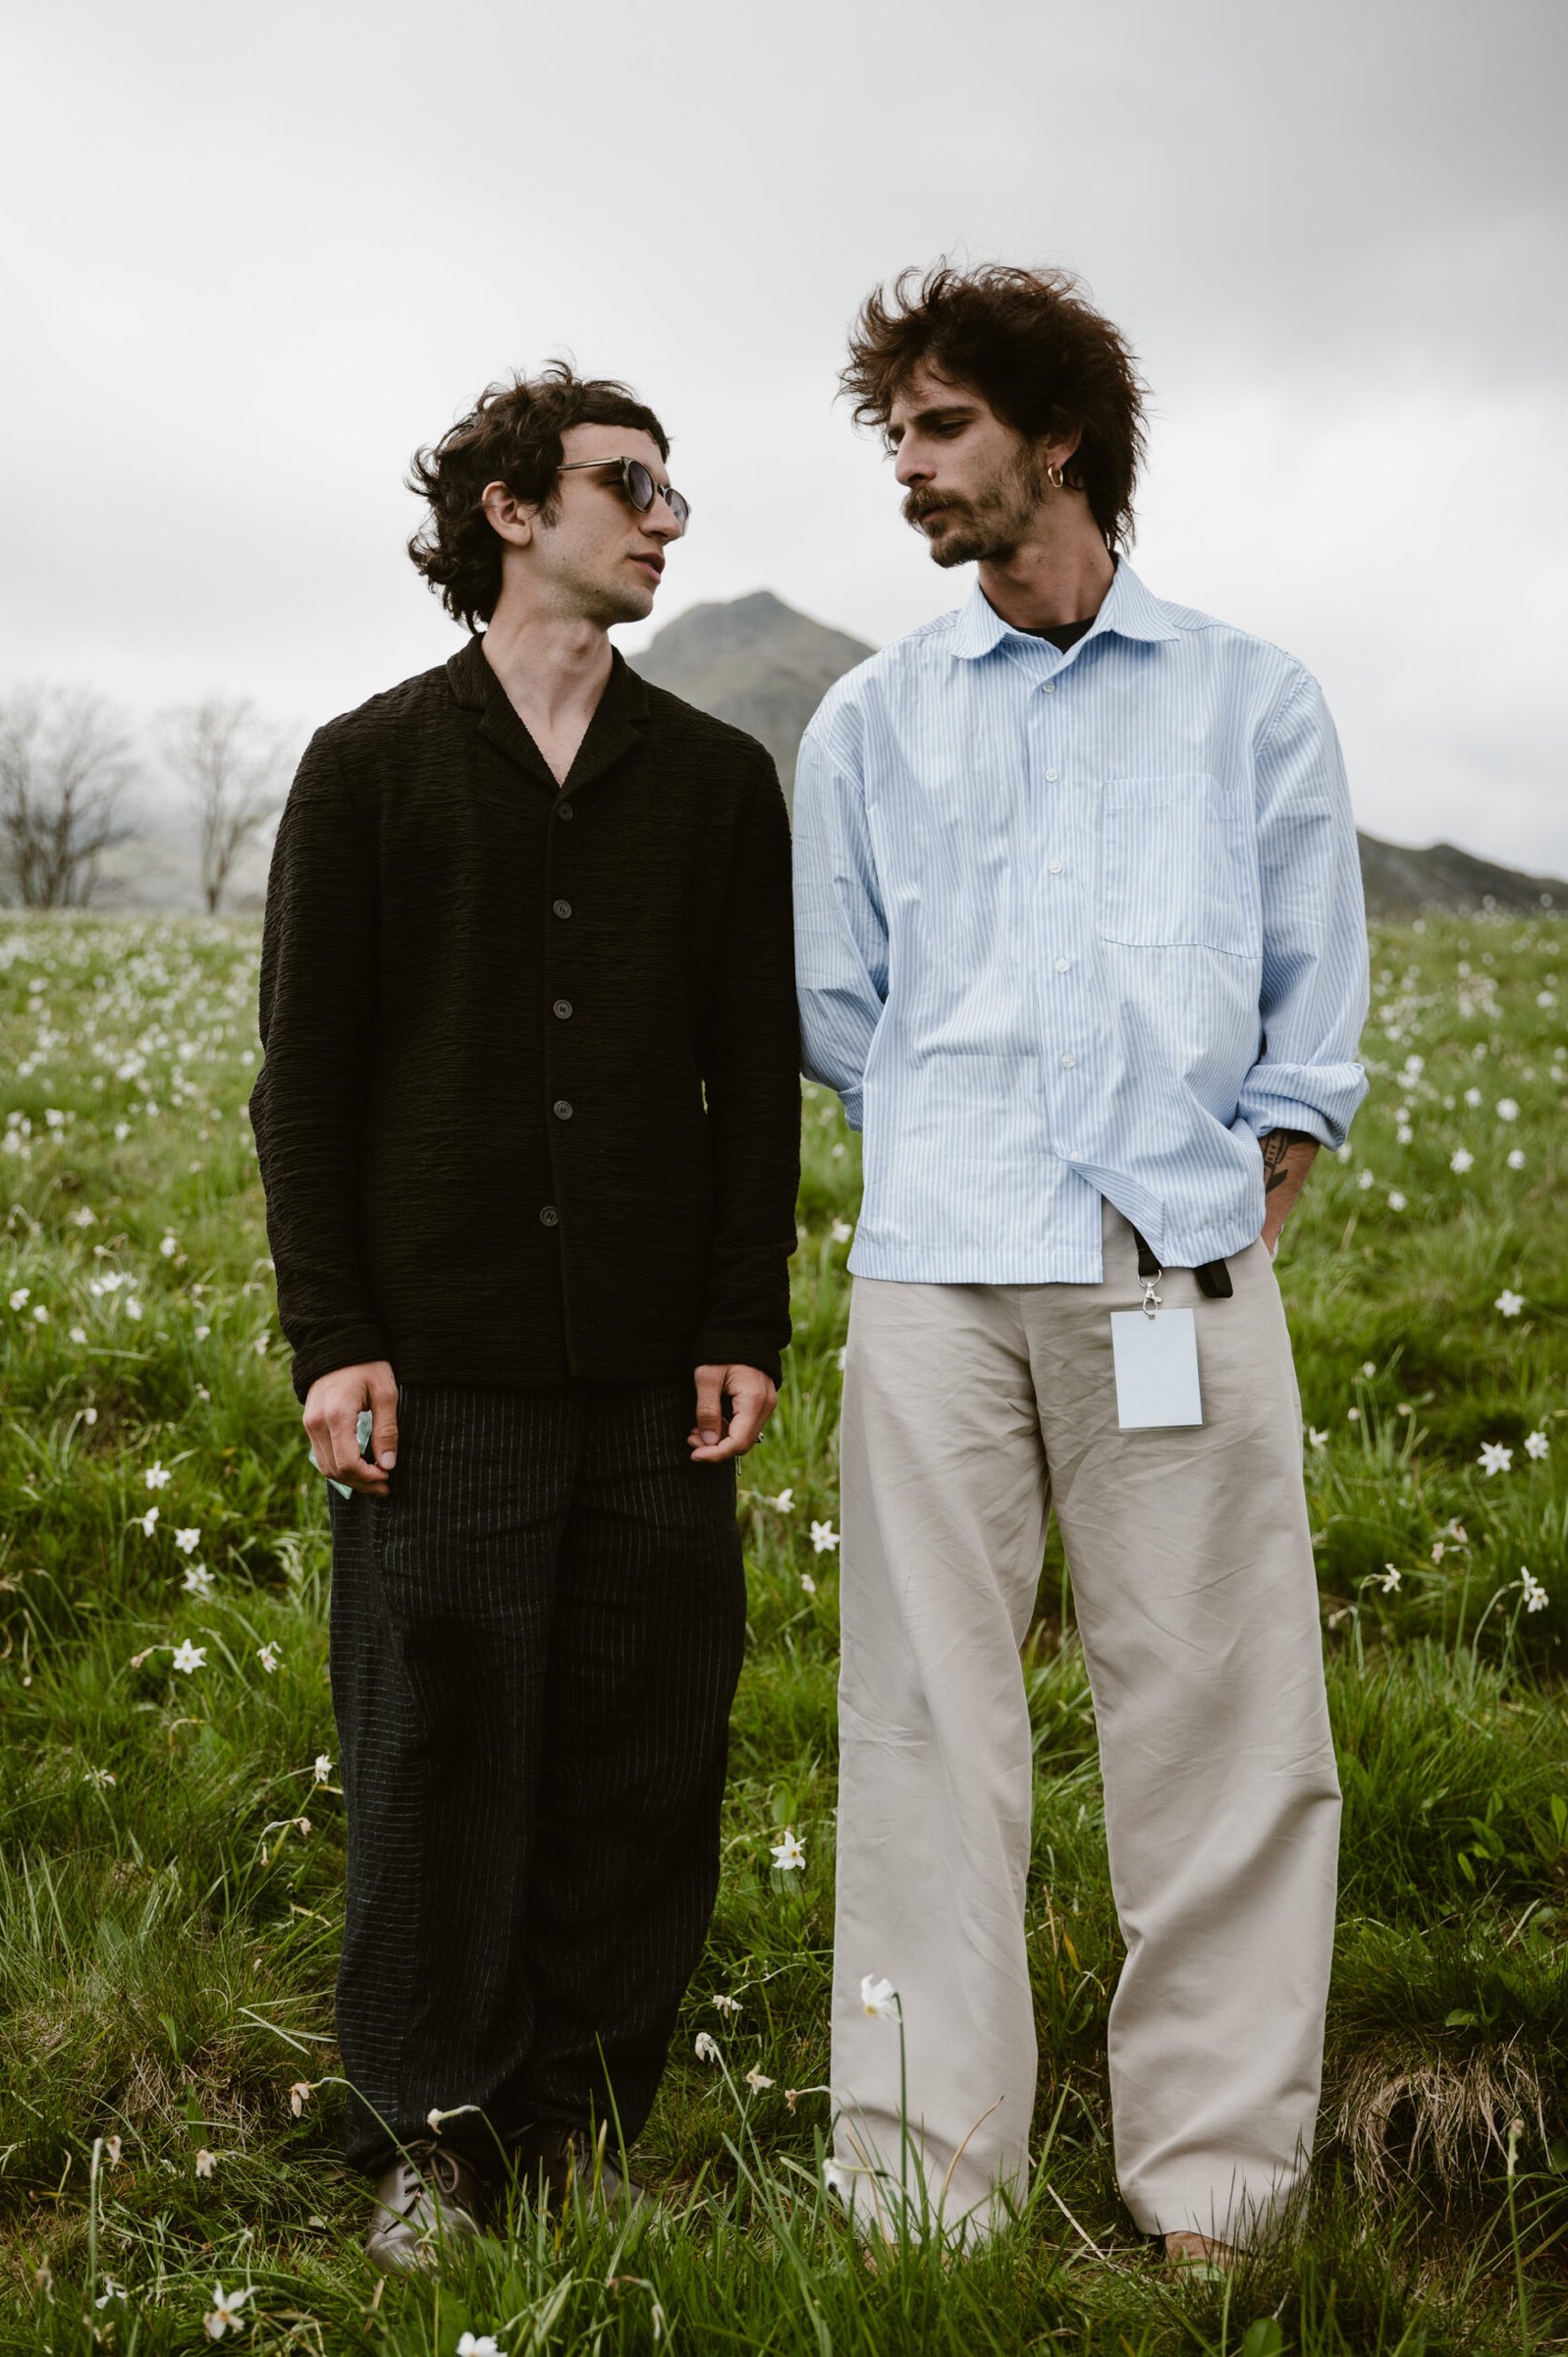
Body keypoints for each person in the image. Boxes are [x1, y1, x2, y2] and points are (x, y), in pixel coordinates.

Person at [792, 265, 1369, 2266]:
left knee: (1220, 1725)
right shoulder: (870, 719)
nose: (906, 467)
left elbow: (1309, 982)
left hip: (1172, 1272)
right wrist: (969, 1142)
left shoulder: (1247, 696)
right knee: (920, 1730)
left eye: (939, 426)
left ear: (1057, 438)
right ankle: (918, 2200)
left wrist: (1261, 1135)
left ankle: (1216, 2193)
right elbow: (841, 1003)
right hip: (933, 1282)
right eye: (894, 433)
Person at [249, 363, 800, 2274]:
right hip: (439, 1374)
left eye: (673, 490)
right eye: (626, 482)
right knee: (437, 1758)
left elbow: (753, 1079)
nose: (664, 518)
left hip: (658, 1378)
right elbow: (305, 1086)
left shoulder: (716, 784)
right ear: (508, 508)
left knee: (644, 1757)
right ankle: (435, 2133)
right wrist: (333, 1337)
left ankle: (577, 2126)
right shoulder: (367, 768)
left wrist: (744, 1319)